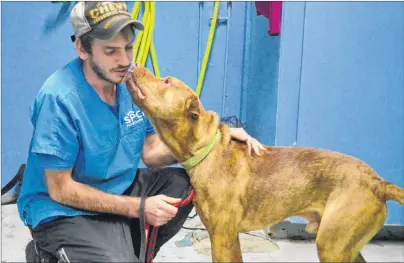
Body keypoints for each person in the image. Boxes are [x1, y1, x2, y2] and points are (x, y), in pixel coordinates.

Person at [17, 1, 265, 262]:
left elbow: (151, 151)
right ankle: (46, 253)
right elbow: (60, 190)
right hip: (61, 209)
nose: (124, 61)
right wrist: (139, 208)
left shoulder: (125, 83)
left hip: (116, 189)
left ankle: (128, 251)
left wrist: (215, 138)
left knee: (182, 184)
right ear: (82, 48)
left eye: (128, 47)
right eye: (111, 50)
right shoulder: (58, 99)